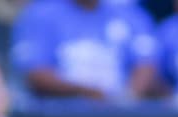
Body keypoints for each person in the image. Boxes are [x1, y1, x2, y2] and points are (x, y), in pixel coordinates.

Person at [10, 0, 160, 102]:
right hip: (61, 114)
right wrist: (87, 93)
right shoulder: (41, 14)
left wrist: (128, 98)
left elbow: (146, 63)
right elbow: (36, 73)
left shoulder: (129, 13)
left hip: (118, 113)